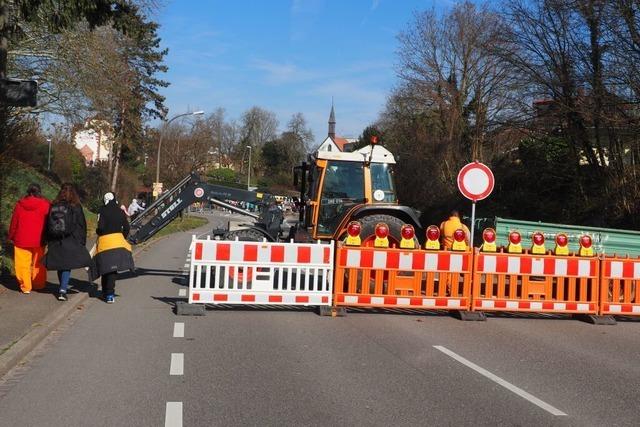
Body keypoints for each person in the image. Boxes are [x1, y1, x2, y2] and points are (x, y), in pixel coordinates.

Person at [43, 183, 93, 301]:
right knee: (67, 265)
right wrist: (82, 241)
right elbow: (81, 224)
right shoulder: (75, 206)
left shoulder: (54, 205)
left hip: (55, 238)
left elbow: (48, 223)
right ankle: (62, 290)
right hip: (70, 238)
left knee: (61, 265)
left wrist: (47, 239)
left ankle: (62, 287)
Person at [90, 192, 134, 303]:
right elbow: (127, 227)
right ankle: (110, 294)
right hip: (118, 242)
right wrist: (121, 237)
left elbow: (100, 228)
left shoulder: (102, 211)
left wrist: (98, 232)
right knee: (113, 270)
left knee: (105, 268)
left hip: (105, 243)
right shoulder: (120, 211)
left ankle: (106, 292)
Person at [8, 183, 50, 294]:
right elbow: (49, 222)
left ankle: (26, 286)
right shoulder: (45, 204)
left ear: (28, 192)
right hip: (39, 239)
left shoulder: (20, 204)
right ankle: (39, 284)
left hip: (21, 239)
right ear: (39, 192)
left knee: (22, 264)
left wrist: (11, 235)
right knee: (38, 263)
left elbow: (14, 222)